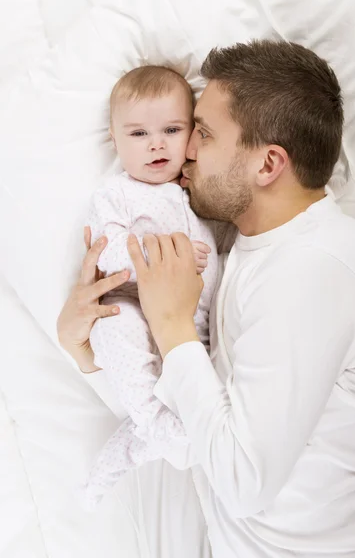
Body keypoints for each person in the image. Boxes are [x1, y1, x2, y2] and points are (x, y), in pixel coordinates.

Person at [58, 40, 355, 557]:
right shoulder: (246, 253)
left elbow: (242, 481)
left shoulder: (321, 267)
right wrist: (85, 347)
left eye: (204, 133)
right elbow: (192, 422)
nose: (185, 148)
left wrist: (170, 322)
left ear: (268, 165)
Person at [80, 65, 218, 509]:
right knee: (114, 328)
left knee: (194, 398)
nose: (156, 144)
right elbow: (106, 250)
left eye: (171, 129)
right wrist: (163, 252)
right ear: (115, 139)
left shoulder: (197, 191)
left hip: (194, 328)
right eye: (138, 134)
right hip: (135, 310)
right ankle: (150, 422)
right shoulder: (116, 193)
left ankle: (138, 444)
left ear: (192, 135)